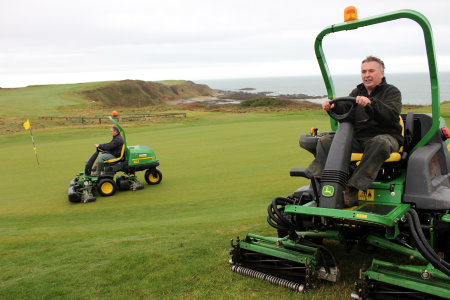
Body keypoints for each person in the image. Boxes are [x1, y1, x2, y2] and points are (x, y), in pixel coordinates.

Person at [307, 56, 403, 206]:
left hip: (386, 137)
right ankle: (318, 181)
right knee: (326, 141)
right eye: (364, 71)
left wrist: (371, 103)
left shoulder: (392, 92)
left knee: (378, 143)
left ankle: (353, 188)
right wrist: (333, 106)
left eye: (371, 71)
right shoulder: (357, 91)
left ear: (382, 73)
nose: (367, 75)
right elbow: (345, 107)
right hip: (359, 138)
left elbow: (391, 114)